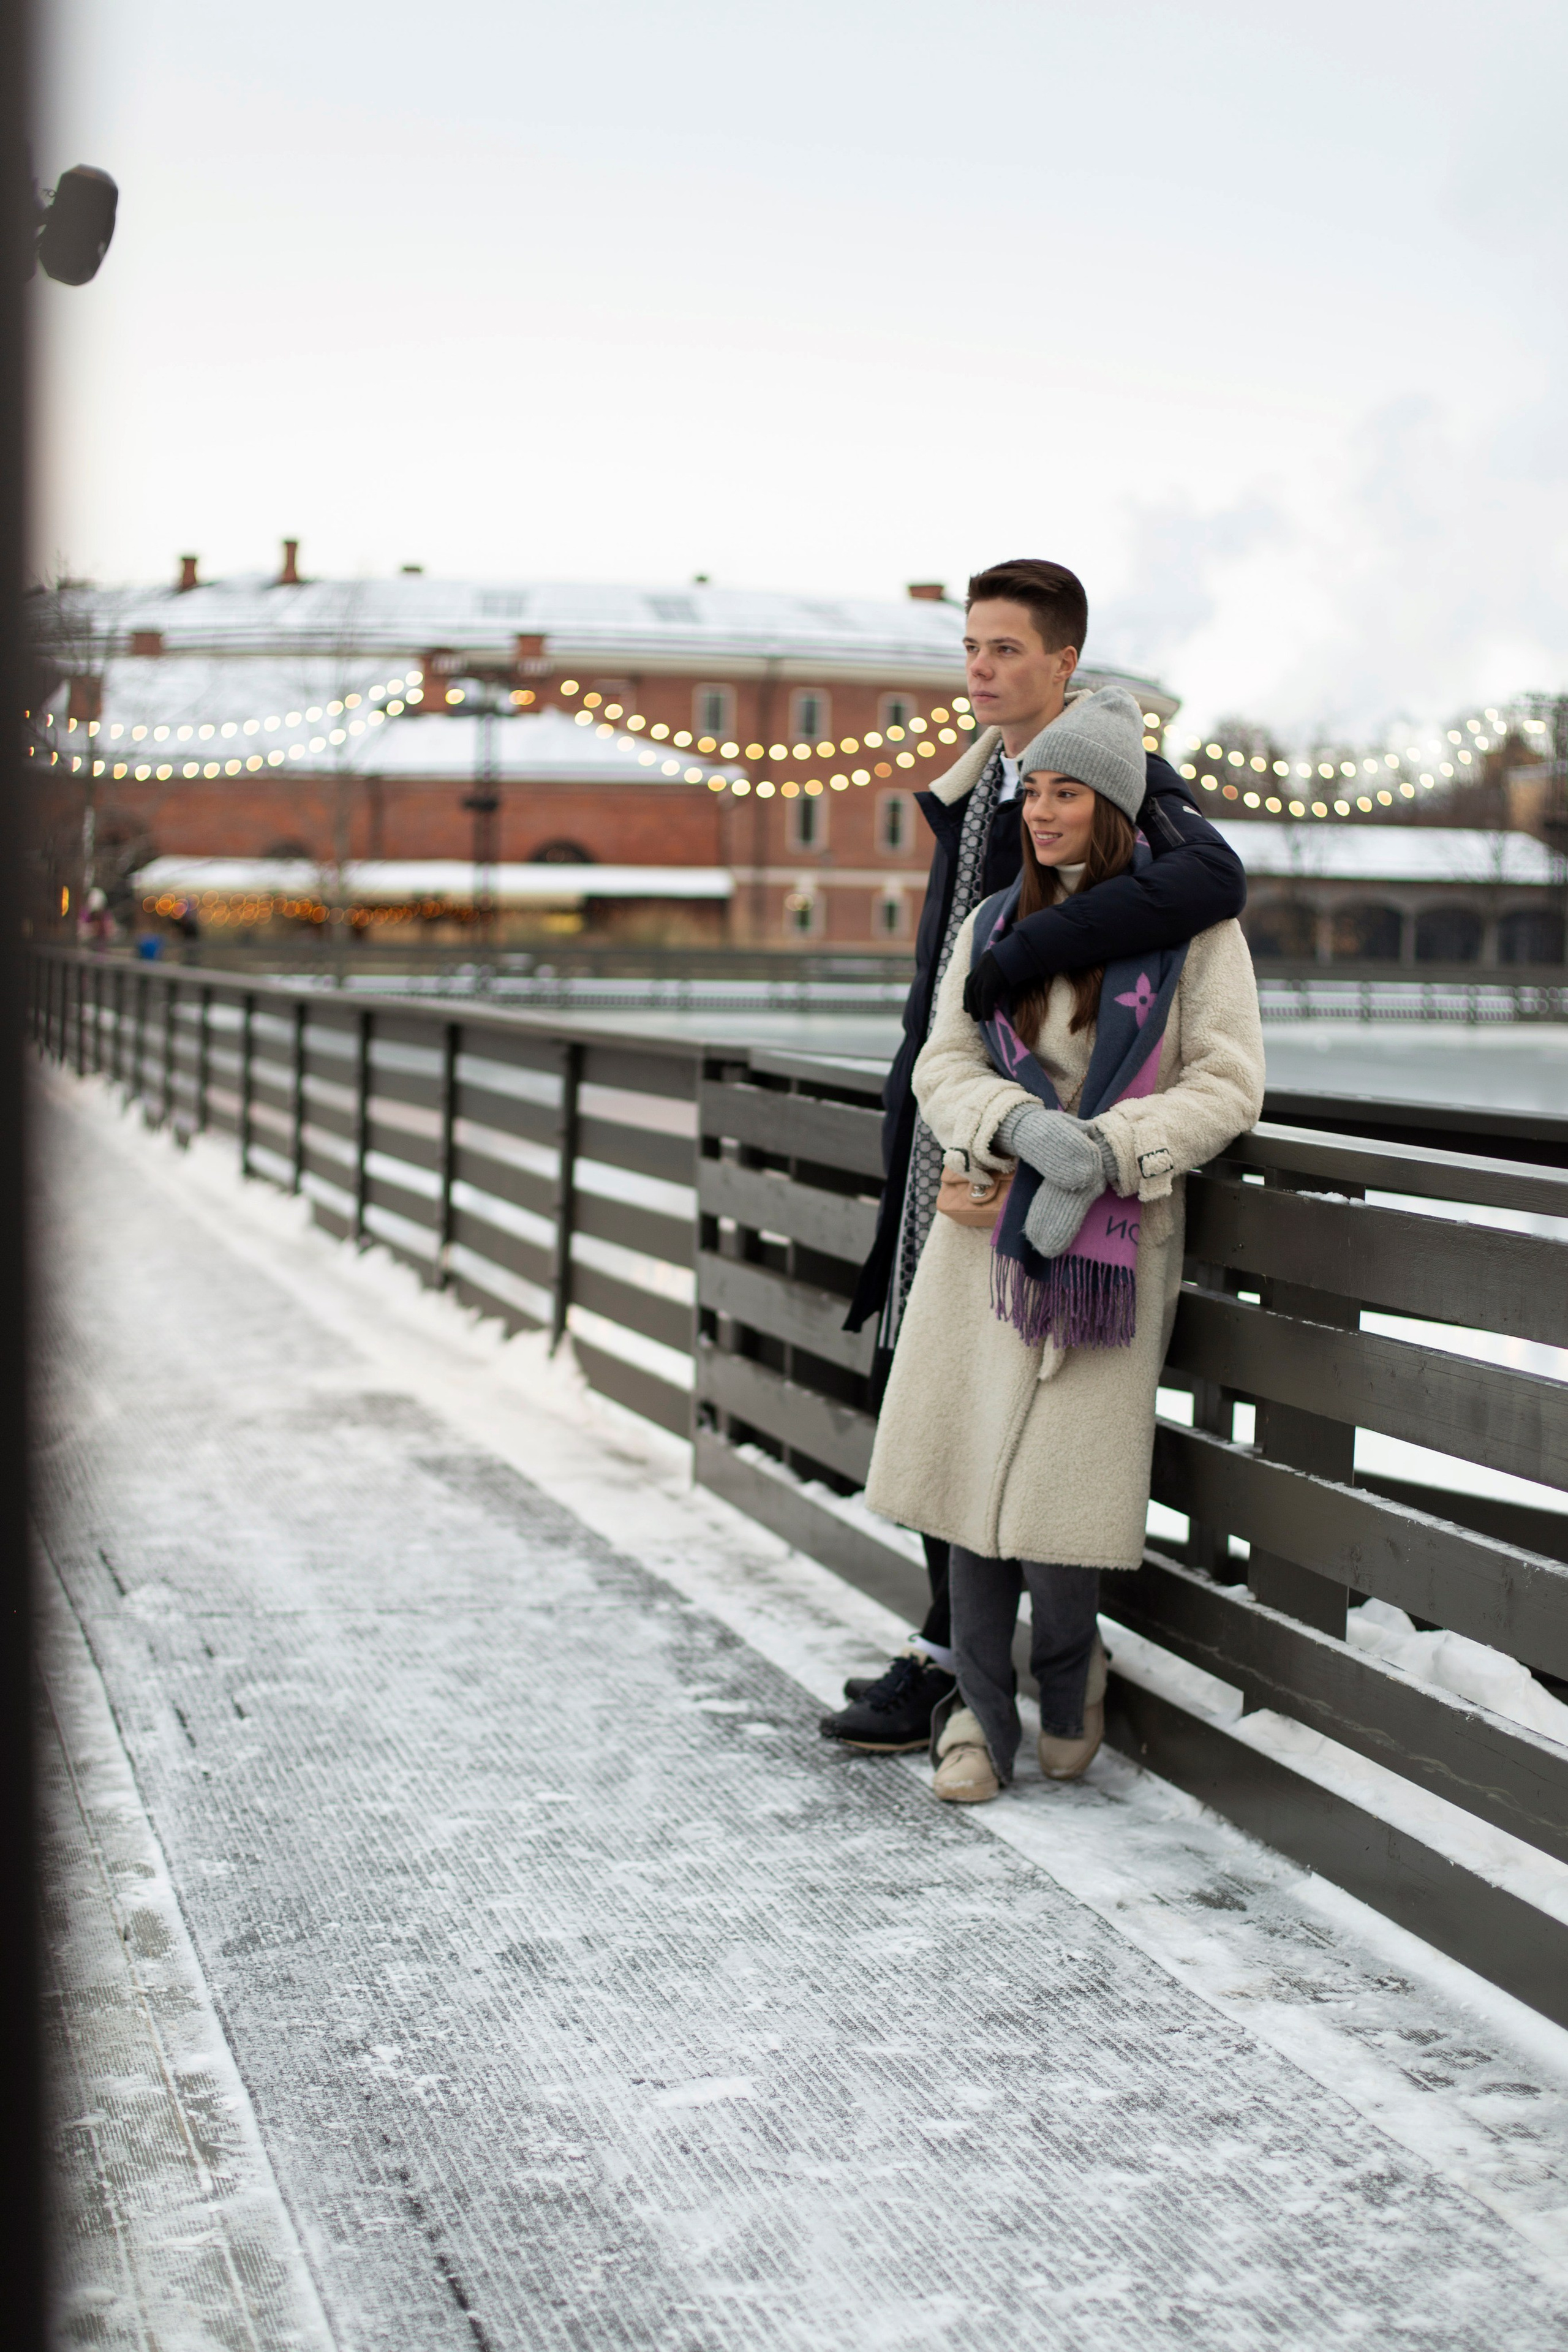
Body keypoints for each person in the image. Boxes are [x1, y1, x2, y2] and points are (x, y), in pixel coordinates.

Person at [821, 558, 1247, 1754]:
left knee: (1026, 1408)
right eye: (971, 648)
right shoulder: (977, 789)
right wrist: (962, 1097)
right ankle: (954, 1652)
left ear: (1063, 663)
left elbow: (1211, 884)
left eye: (1005, 649)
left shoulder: (1113, 787)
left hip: (1077, 1170)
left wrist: (1023, 954)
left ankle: (986, 1669)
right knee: (931, 1388)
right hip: (952, 1133)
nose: (979, 669)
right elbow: (949, 998)